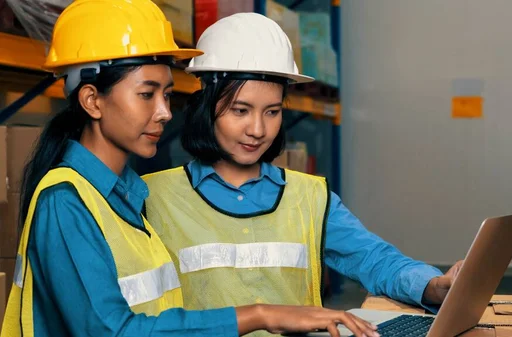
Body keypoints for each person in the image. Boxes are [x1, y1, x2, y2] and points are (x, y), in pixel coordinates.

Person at [0, 2, 378, 337]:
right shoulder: (66, 202)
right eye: (147, 95)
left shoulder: (125, 198)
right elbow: (111, 330)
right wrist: (260, 314)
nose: (165, 112)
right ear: (92, 100)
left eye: (166, 95)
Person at [142, 12, 464, 337]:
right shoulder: (151, 198)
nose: (257, 130)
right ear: (204, 108)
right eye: (240, 110)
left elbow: (374, 259)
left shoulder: (309, 198)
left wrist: (434, 286)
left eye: (272, 112)